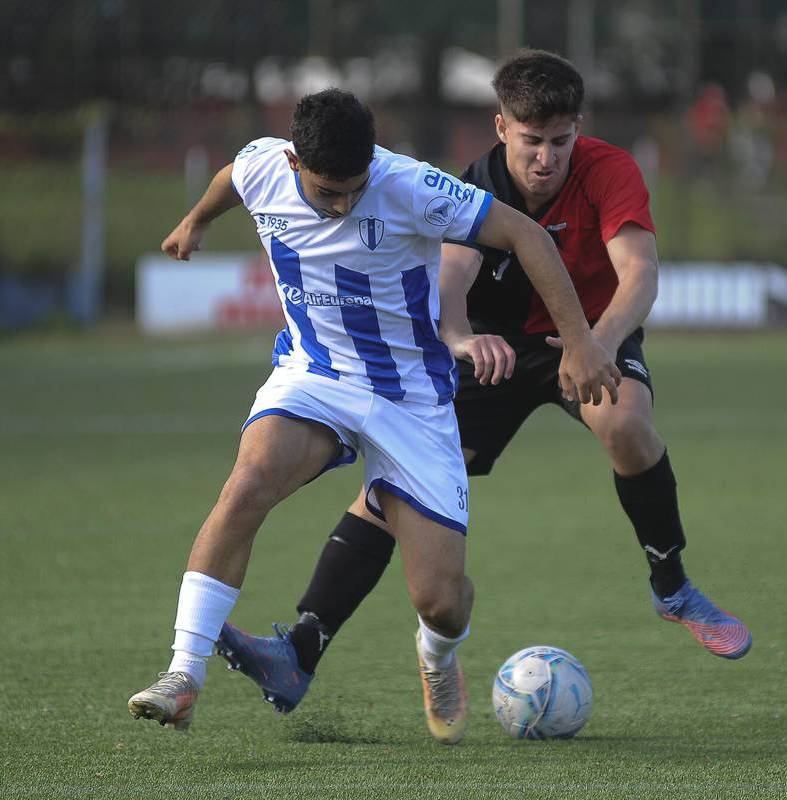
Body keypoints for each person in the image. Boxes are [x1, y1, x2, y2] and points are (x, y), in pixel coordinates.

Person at [216, 50, 751, 720]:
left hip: (589, 334)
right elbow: (452, 280)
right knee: (394, 491)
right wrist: (464, 339)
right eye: (532, 142)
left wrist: (594, 345)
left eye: (561, 142)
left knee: (623, 420)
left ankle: (672, 587)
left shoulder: (610, 170)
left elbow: (638, 274)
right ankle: (301, 646)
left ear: (578, 130)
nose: (547, 158)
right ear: (502, 128)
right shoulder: (477, 182)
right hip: (495, 354)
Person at [125, 88, 620, 745]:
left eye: (354, 190)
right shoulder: (264, 166)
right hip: (314, 375)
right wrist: (197, 220)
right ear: (295, 163)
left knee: (440, 599)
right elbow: (231, 180)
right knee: (247, 485)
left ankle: (437, 657)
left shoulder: (411, 187)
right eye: (328, 192)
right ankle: (182, 675)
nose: (342, 205)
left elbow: (526, 234)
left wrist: (581, 339)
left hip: (411, 399)